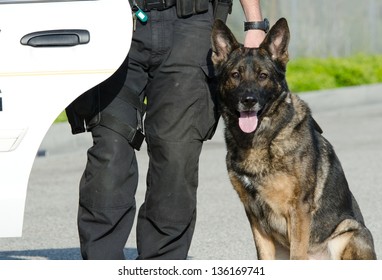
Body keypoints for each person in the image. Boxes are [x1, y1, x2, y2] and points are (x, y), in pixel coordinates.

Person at [72, 0, 267, 260]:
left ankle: (162, 265)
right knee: (110, 150)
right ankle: (101, 264)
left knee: (177, 154)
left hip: (189, 25)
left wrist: (254, 22)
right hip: (114, 20)